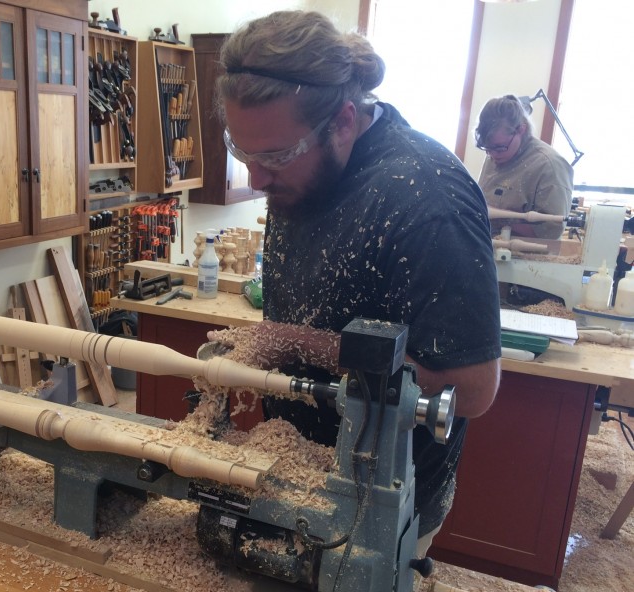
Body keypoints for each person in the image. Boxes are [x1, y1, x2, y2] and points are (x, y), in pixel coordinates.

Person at [210, 10, 502, 557]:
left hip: (380, 501)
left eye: (274, 156)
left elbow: (475, 391)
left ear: (343, 121)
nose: (256, 178)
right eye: (242, 152)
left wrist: (295, 342)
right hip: (291, 469)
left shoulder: (424, 196)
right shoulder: (299, 168)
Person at [476, 95, 574, 239]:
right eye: (487, 148)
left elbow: (550, 232)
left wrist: (501, 220)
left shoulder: (549, 166)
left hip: (525, 257)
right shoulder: (494, 153)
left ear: (521, 130)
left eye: (499, 148)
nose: (492, 155)